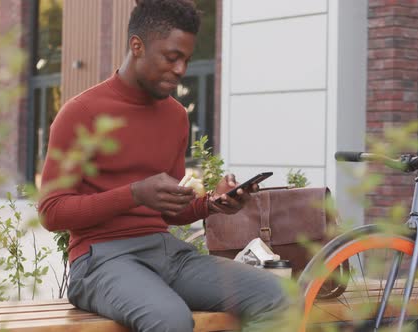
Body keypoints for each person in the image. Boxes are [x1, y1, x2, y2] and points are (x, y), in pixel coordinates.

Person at [37, 0, 288, 331]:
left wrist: (213, 204)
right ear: (137, 46)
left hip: (165, 252)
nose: (181, 69)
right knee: (169, 319)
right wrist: (134, 194)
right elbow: (52, 212)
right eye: (172, 58)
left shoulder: (175, 117)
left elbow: (170, 212)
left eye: (186, 59)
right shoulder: (82, 113)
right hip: (100, 260)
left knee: (276, 295)